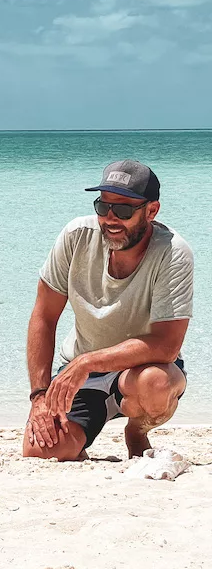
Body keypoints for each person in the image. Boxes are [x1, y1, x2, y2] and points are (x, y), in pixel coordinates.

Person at [24, 160, 193, 461]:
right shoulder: (76, 236)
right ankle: (89, 422)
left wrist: (87, 362)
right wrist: (39, 396)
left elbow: (166, 346)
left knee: (157, 385)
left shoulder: (173, 253)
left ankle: (136, 430)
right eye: (104, 207)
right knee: (41, 451)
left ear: (151, 211)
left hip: (140, 371)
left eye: (124, 210)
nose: (111, 219)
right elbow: (43, 316)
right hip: (80, 375)